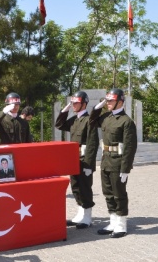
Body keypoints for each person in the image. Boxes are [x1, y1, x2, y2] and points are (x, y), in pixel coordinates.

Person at [90, 88, 137, 238]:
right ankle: (113, 222)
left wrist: (126, 168)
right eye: (107, 101)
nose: (108, 103)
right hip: (106, 160)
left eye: (110, 101)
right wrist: (100, 104)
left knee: (119, 194)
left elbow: (130, 147)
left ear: (120, 101)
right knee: (108, 193)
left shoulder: (126, 122)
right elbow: (91, 119)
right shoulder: (106, 118)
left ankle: (121, 225)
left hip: (118, 162)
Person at [55, 91, 100, 228]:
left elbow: (93, 143)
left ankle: (87, 217)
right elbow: (59, 125)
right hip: (74, 159)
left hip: (84, 160)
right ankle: (80, 214)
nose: (73, 105)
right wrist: (65, 110)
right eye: (72, 103)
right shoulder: (74, 119)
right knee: (75, 187)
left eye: (76, 103)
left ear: (84, 104)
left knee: (85, 187)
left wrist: (89, 164)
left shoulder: (89, 120)